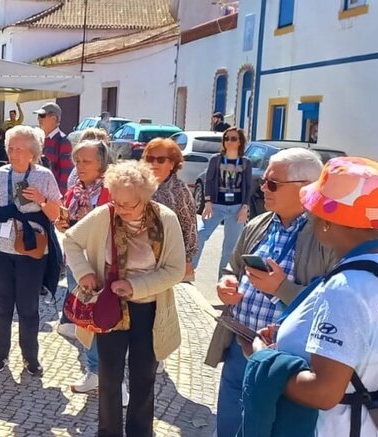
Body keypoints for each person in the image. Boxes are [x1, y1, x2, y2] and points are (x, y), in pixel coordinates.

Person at [247, 157, 378, 437]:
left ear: (326, 222)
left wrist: (263, 359)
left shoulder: (346, 287)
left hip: (330, 427)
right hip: (368, 422)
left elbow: (322, 392)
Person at [206, 148, 332, 436]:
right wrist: (226, 284)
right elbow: (232, 267)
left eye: (273, 183)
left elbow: (333, 304)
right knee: (228, 426)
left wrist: (282, 289)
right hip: (240, 345)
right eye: (263, 181)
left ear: (305, 187)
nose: (262, 188)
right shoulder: (258, 224)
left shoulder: (327, 236)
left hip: (285, 360)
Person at [63, 160, 185, 437]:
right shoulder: (104, 215)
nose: (120, 210)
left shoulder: (165, 219)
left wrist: (134, 286)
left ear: (145, 198)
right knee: (109, 377)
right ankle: (108, 432)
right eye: (116, 202)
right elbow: (71, 240)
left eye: (128, 205)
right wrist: (84, 273)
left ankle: (140, 432)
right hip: (110, 308)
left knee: (144, 377)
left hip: (149, 309)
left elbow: (175, 270)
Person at [0, 125, 62, 376]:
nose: (13, 154)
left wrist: (41, 199)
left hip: (31, 253)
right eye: (11, 148)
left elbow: (55, 216)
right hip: (0, 251)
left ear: (33, 153)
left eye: (20, 149)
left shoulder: (45, 176)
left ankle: (30, 358)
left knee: (28, 308)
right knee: (0, 306)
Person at [56, 139, 111, 395]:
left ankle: (112, 376)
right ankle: (94, 370)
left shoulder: (112, 190)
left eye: (86, 161)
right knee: (86, 319)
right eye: (77, 161)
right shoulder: (75, 191)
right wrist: (62, 224)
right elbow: (67, 224)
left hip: (104, 263)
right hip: (77, 263)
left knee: (107, 320)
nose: (80, 166)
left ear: (102, 163)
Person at [195, 126, 254, 272]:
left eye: (233, 139)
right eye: (226, 138)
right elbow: (209, 181)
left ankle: (223, 279)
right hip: (216, 206)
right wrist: (208, 202)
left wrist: (244, 207)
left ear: (240, 142)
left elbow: (248, 186)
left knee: (230, 247)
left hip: (236, 208)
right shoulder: (216, 159)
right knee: (200, 235)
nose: (229, 141)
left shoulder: (245, 162)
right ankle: (190, 268)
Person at [143, 138, 199, 280]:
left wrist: (187, 259)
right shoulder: (138, 185)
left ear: (172, 164)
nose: (154, 163)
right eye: (150, 159)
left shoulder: (179, 190)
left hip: (169, 259)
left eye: (161, 159)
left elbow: (189, 226)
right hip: (140, 257)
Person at [35, 102, 73, 195]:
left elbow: (66, 172)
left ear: (54, 118)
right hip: (37, 193)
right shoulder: (39, 139)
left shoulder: (63, 141)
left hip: (52, 195)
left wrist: (61, 197)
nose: (39, 119)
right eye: (38, 116)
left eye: (42, 115)